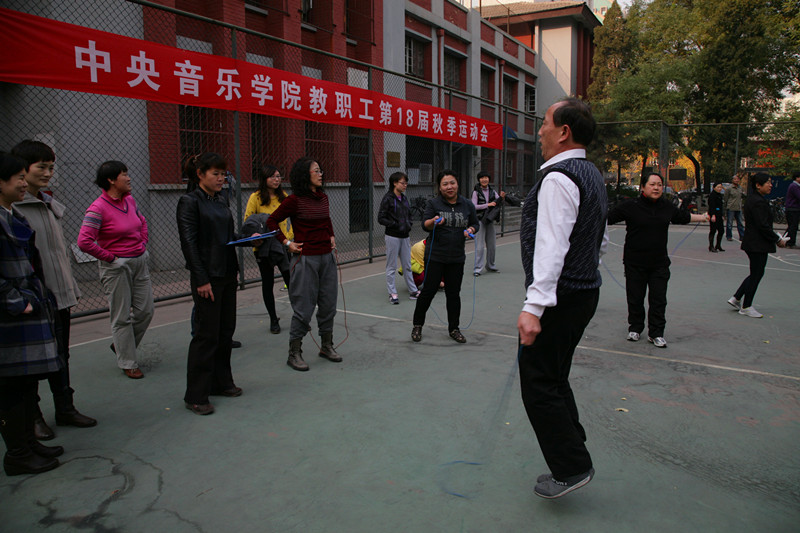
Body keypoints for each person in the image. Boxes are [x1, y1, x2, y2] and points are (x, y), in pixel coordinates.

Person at [516, 98, 607, 499]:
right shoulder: (591, 173)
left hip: (561, 297)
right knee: (554, 376)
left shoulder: (558, 178)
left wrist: (533, 307)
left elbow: (551, 247)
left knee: (538, 382)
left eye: (545, 123)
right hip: (583, 291)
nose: (540, 131)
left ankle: (571, 466)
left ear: (564, 132)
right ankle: (573, 449)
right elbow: (599, 237)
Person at [11, 141, 96, 441]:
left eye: (51, 167)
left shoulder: (48, 205)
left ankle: (65, 407)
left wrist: (70, 288)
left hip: (59, 296)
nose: (48, 173)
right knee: (35, 360)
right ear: (22, 170)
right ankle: (34, 416)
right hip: (35, 300)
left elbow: (57, 254)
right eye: (41, 167)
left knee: (62, 355)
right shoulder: (15, 209)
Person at [0, 152, 64, 476]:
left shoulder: (14, 216)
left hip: (28, 307)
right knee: (11, 389)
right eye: (18, 178)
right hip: (10, 316)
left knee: (26, 385)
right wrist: (17, 302)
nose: (23, 183)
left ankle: (28, 443)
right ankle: (17, 454)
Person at [177, 153, 255, 415]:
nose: (222, 179)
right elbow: (189, 243)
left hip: (227, 273)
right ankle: (196, 394)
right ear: (200, 174)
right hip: (208, 277)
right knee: (206, 335)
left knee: (225, 331)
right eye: (216, 174)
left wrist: (249, 239)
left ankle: (221, 382)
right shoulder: (189, 202)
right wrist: (201, 279)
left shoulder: (220, 200)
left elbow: (227, 236)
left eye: (223, 174)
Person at [608, 172, 708, 348]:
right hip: (635, 262)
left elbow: (682, 217)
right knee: (635, 297)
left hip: (659, 263)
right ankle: (635, 328)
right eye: (652, 184)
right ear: (643, 187)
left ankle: (656, 333)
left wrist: (703, 217)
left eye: (659, 185)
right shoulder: (630, 206)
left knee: (658, 299)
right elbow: (606, 217)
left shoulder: (666, 206)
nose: (656, 188)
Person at [77, 161, 154, 379]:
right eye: (124, 174)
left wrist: (142, 244)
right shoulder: (97, 208)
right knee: (121, 317)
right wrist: (111, 258)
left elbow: (142, 222)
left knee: (146, 311)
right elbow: (84, 241)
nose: (129, 178)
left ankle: (121, 345)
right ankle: (128, 361)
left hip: (139, 262)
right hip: (117, 268)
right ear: (111, 180)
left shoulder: (130, 200)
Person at [266, 157, 340, 372]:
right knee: (303, 308)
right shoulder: (294, 200)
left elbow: (326, 220)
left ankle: (326, 345)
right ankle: (294, 353)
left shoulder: (323, 198)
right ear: (304, 175)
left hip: (327, 258)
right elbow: (271, 221)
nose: (320, 174)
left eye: (320, 170)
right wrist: (287, 243)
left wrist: (331, 235)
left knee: (328, 304)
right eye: (316, 171)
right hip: (305, 259)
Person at [410, 170, 478, 344]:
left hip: (456, 258)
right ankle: (417, 325)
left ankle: (454, 329)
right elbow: (425, 225)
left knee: (453, 294)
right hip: (435, 257)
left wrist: (471, 230)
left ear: (457, 184)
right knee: (428, 291)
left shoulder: (467, 204)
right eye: (445, 184)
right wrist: (433, 222)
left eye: (452, 183)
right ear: (439, 187)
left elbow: (475, 223)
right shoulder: (433, 204)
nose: (449, 187)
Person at [728, 173, 786, 318]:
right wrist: (777, 239)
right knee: (757, 274)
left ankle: (736, 297)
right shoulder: (758, 202)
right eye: (768, 182)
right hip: (757, 244)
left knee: (755, 273)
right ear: (758, 185)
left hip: (753, 242)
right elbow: (763, 226)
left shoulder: (753, 199)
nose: (770, 185)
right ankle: (746, 306)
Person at [244, 164, 292, 334]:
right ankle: (273, 319)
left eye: (278, 176)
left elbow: (292, 219)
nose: (276, 179)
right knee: (268, 283)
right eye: (272, 176)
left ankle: (300, 317)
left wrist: (288, 238)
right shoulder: (255, 198)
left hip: (283, 245)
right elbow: (248, 221)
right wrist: (256, 236)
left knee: (291, 281)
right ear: (264, 179)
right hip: (264, 248)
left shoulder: (284, 197)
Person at [378, 171, 420, 304]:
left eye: (406, 183)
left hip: (405, 236)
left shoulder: (404, 198)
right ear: (395, 183)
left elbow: (409, 214)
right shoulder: (388, 198)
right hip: (392, 236)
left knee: (407, 265)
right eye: (403, 183)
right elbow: (381, 218)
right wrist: (395, 225)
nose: (405, 185)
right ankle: (392, 293)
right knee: (391, 266)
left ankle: (413, 291)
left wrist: (408, 224)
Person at [471, 171, 505, 276]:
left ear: (489, 179)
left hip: (489, 220)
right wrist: (487, 205)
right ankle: (477, 269)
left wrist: (501, 197)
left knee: (492, 245)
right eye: (482, 178)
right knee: (480, 246)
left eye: (486, 177)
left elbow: (497, 202)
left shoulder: (492, 191)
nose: (484, 179)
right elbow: (473, 206)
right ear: (479, 180)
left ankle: (491, 266)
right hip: (480, 220)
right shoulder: (476, 192)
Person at [723, 175, 745, 241]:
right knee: (729, 223)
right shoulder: (729, 188)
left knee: (740, 223)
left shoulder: (740, 188)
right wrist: (725, 207)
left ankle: (742, 236)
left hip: (738, 207)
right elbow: (725, 198)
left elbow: (742, 196)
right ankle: (729, 236)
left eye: (737, 179)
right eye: (735, 179)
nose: (736, 180)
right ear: (732, 180)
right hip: (731, 207)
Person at [707, 182, 725, 252]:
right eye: (718, 187)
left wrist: (722, 215)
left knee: (721, 230)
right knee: (713, 230)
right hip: (714, 214)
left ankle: (718, 245)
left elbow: (721, 206)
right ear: (714, 188)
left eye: (720, 187)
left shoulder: (720, 195)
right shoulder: (712, 195)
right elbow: (712, 206)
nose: (719, 189)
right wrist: (713, 215)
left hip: (719, 214)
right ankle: (711, 246)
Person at [784, 171, 800, 249]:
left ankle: (784, 240)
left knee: (791, 226)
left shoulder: (795, 186)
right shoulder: (794, 186)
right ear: (797, 178)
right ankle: (790, 243)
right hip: (793, 209)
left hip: (793, 208)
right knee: (793, 226)